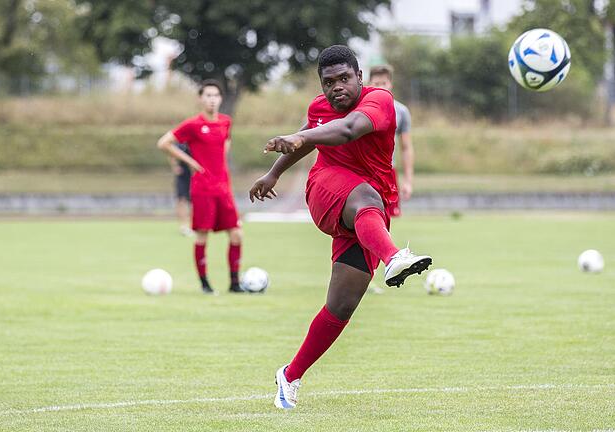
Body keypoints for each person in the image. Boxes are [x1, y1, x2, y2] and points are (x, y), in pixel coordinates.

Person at [249, 45, 433, 410]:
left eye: (344, 79)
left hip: (367, 213)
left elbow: (347, 130)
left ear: (359, 77)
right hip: (328, 190)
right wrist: (273, 173)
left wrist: (302, 138)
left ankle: (290, 375)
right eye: (328, 82)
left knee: (342, 305)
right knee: (365, 197)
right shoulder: (319, 108)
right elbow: (306, 136)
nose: (337, 88)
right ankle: (394, 256)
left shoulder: (379, 100)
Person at [156, 79, 245, 295]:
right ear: (200, 99)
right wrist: (191, 162)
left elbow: (225, 145)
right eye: (207, 95)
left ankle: (234, 284)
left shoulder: (225, 122)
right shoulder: (193, 125)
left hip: (224, 188)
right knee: (202, 235)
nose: (212, 100)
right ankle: (205, 284)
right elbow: (163, 143)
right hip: (202, 188)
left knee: (237, 234)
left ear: (221, 99)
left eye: (215, 95)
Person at [368, 64, 414, 217]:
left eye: (384, 84)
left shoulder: (401, 111)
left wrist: (408, 181)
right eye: (376, 84)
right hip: (365, 171)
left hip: (387, 172)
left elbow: (406, 147)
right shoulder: (362, 109)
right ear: (369, 84)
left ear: (390, 84)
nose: (381, 87)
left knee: (387, 218)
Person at [170, 143, 194, 237]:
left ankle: (193, 226)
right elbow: (171, 152)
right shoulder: (180, 142)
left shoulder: (196, 141)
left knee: (194, 201)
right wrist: (175, 166)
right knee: (181, 200)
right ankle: (183, 226)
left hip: (194, 175)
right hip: (182, 175)